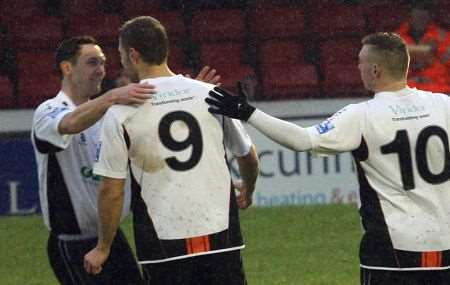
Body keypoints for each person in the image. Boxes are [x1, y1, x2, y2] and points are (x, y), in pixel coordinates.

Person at [206, 32, 450, 284]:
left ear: (375, 70)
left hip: (392, 251)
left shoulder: (362, 116)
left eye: (360, 62)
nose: (358, 68)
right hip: (445, 246)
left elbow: (302, 140)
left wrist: (247, 113)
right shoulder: (444, 105)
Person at [83, 16, 259, 285]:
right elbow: (247, 155)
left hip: (162, 243)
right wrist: (248, 188)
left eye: (120, 54)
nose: (120, 61)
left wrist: (103, 246)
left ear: (133, 54)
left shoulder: (121, 111)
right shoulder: (210, 94)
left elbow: (112, 189)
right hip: (221, 235)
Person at [32, 36, 221, 285]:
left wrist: (187, 97)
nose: (101, 70)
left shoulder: (110, 114)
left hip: (109, 238)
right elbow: (69, 124)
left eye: (102, 62)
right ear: (67, 68)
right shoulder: (49, 111)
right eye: (92, 63)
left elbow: (158, 141)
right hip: (72, 243)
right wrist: (112, 97)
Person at [395, 1, 450, 93]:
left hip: (437, 89)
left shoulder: (442, 37)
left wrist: (436, 52)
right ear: (410, 17)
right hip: (406, 90)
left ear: (429, 17)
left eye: (423, 17)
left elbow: (446, 64)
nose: (419, 20)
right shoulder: (396, 38)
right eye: (416, 17)